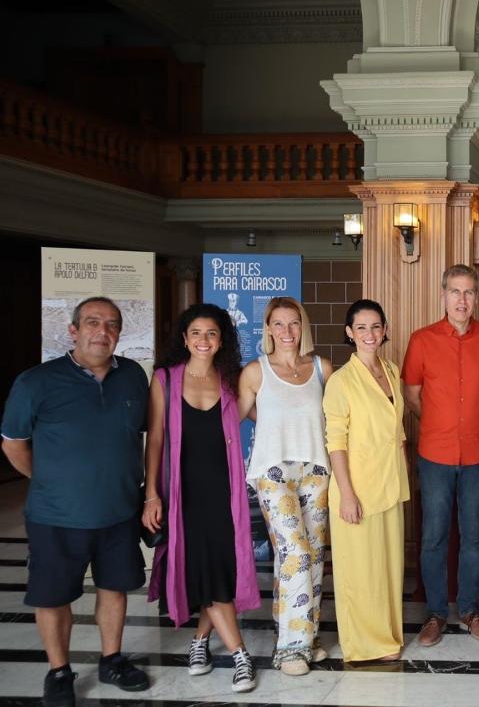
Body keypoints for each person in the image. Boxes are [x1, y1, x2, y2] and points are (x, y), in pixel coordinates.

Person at [1, 297, 151, 707]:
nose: (102, 332)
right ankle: (59, 670)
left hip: (119, 511)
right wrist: (51, 480)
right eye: (92, 322)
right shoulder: (36, 382)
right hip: (56, 515)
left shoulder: (134, 376)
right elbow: (13, 444)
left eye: (112, 325)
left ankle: (112, 660)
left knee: (115, 588)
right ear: (73, 330)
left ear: (120, 333)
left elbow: (144, 433)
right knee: (53, 595)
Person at [143, 303, 261, 692]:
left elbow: (269, 414)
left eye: (211, 333)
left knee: (220, 565)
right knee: (203, 565)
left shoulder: (231, 380)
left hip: (224, 490)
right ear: (184, 338)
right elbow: (156, 439)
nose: (204, 340)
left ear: (221, 339)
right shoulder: (165, 379)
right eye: (196, 333)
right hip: (182, 492)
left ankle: (199, 642)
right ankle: (240, 654)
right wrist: (152, 494)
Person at [402, 264, 479, 647]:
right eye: (455, 292)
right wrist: (440, 423)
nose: (462, 300)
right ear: (443, 295)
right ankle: (434, 614)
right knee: (433, 537)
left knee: (475, 536)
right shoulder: (422, 339)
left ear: (476, 297)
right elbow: (412, 393)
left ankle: (469, 610)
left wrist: (470, 421)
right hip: (435, 453)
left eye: (468, 292)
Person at [236, 297, 333, 676]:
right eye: (279, 324)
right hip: (272, 470)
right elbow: (236, 417)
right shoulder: (255, 372)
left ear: (303, 326)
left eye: (294, 323)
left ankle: (305, 635)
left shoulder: (322, 368)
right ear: (268, 328)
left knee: (314, 553)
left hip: (316, 469)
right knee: (295, 552)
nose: (287, 331)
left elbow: (335, 417)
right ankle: (290, 649)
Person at [322, 299, 408, 662]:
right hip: (356, 487)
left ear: (385, 330)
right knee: (360, 571)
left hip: (389, 482)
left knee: (387, 568)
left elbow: (396, 427)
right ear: (349, 333)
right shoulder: (341, 381)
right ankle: (363, 644)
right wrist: (346, 494)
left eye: (376, 327)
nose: (370, 334)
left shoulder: (391, 370)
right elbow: (335, 442)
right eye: (361, 328)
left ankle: (387, 636)